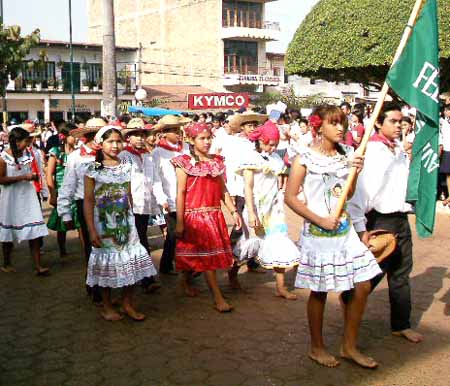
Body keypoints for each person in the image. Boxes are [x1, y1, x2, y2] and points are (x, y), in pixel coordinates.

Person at [285, 105, 381, 369]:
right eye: (334, 123)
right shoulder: (303, 157)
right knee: (319, 291)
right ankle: (317, 348)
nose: (341, 128)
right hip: (318, 234)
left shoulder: (349, 155)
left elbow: (347, 196)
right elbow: (290, 198)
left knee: (362, 284)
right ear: (318, 126)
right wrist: (320, 220)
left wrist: (356, 173)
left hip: (344, 231)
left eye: (343, 123)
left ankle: (349, 346)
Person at [346, 102, 424, 344]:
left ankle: (401, 324)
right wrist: (362, 230)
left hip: (400, 220)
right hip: (378, 222)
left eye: (402, 121)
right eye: (393, 121)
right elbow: (358, 195)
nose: (399, 125)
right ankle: (348, 313)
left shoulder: (398, 149)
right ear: (378, 123)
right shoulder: (370, 152)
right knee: (369, 276)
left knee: (401, 273)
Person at [84, 126, 157, 321]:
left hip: (126, 223)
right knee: (107, 264)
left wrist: (132, 217)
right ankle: (107, 306)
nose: (115, 145)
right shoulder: (93, 169)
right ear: (100, 144)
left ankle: (127, 303)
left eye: (118, 141)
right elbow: (89, 200)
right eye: (110, 141)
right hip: (104, 224)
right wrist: (91, 230)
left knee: (130, 262)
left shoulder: (126, 165)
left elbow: (128, 193)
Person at [172, 122, 242, 312]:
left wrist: (233, 211)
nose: (206, 142)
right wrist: (179, 222)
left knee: (201, 256)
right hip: (195, 217)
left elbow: (222, 189)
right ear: (191, 140)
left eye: (208, 138)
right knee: (207, 259)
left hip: (213, 215)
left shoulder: (216, 162)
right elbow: (180, 192)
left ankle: (184, 281)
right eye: (201, 138)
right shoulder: (183, 162)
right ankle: (217, 297)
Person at [237, 120, 300, 299]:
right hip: (255, 207)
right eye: (269, 144)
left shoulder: (276, 159)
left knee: (279, 241)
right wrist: (250, 212)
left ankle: (281, 287)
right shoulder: (250, 158)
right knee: (249, 244)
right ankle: (233, 274)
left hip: (274, 209)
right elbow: (248, 187)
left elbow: (280, 180)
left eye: (275, 145)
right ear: (260, 141)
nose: (272, 148)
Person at [58, 117, 106, 303]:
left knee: (109, 247)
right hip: (85, 205)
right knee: (92, 247)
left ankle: (107, 285)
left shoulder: (114, 156)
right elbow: (68, 186)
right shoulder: (76, 157)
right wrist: (65, 212)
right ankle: (95, 286)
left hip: (109, 205)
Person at [120, 118, 166, 292]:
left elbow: (154, 180)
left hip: (145, 205)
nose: (139, 138)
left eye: (142, 135)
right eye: (135, 135)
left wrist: (161, 200)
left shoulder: (147, 156)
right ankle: (145, 278)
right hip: (131, 206)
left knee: (141, 239)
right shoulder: (124, 156)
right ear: (128, 138)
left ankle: (143, 277)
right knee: (138, 241)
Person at [226, 112, 269, 288]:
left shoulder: (256, 144)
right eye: (249, 125)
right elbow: (231, 165)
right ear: (242, 127)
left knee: (258, 230)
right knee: (240, 228)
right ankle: (231, 260)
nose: (252, 128)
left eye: (254, 125)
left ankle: (252, 262)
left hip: (258, 191)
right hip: (241, 188)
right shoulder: (236, 143)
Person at [0, 127, 49, 275]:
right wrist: (24, 177)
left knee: (34, 232)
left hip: (28, 197)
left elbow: (38, 171)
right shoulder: (3, 157)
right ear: (15, 141)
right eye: (24, 141)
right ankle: (6, 262)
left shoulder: (29, 153)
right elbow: (1, 179)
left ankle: (38, 266)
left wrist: (37, 182)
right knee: (8, 233)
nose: (27, 144)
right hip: (10, 198)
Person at [152, 115, 191, 275]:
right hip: (171, 198)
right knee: (174, 234)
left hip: (188, 197)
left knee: (185, 233)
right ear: (164, 133)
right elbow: (155, 177)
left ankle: (177, 264)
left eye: (178, 130)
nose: (177, 133)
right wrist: (161, 198)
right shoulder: (158, 152)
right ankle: (169, 264)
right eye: (173, 131)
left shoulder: (185, 148)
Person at [46, 125, 80, 257]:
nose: (76, 139)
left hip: (76, 191)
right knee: (61, 225)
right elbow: (49, 174)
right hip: (61, 192)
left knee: (80, 222)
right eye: (74, 136)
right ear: (64, 137)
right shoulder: (56, 152)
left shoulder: (78, 152)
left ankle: (85, 248)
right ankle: (62, 250)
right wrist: (53, 194)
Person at [439, 104, 450, 199]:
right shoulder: (443, 122)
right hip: (446, 150)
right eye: (445, 110)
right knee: (447, 174)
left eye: (447, 110)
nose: (445, 112)